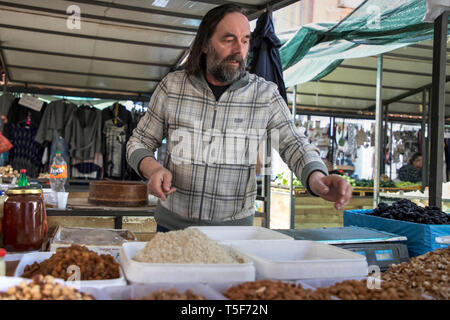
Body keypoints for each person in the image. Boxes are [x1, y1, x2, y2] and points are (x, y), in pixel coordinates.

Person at [126, 4, 353, 232]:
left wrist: (317, 177)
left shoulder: (265, 94)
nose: (239, 49)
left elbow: (294, 143)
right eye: (228, 40)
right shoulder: (172, 86)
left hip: (234, 233)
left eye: (245, 40)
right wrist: (153, 169)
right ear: (205, 44)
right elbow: (139, 142)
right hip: (173, 227)